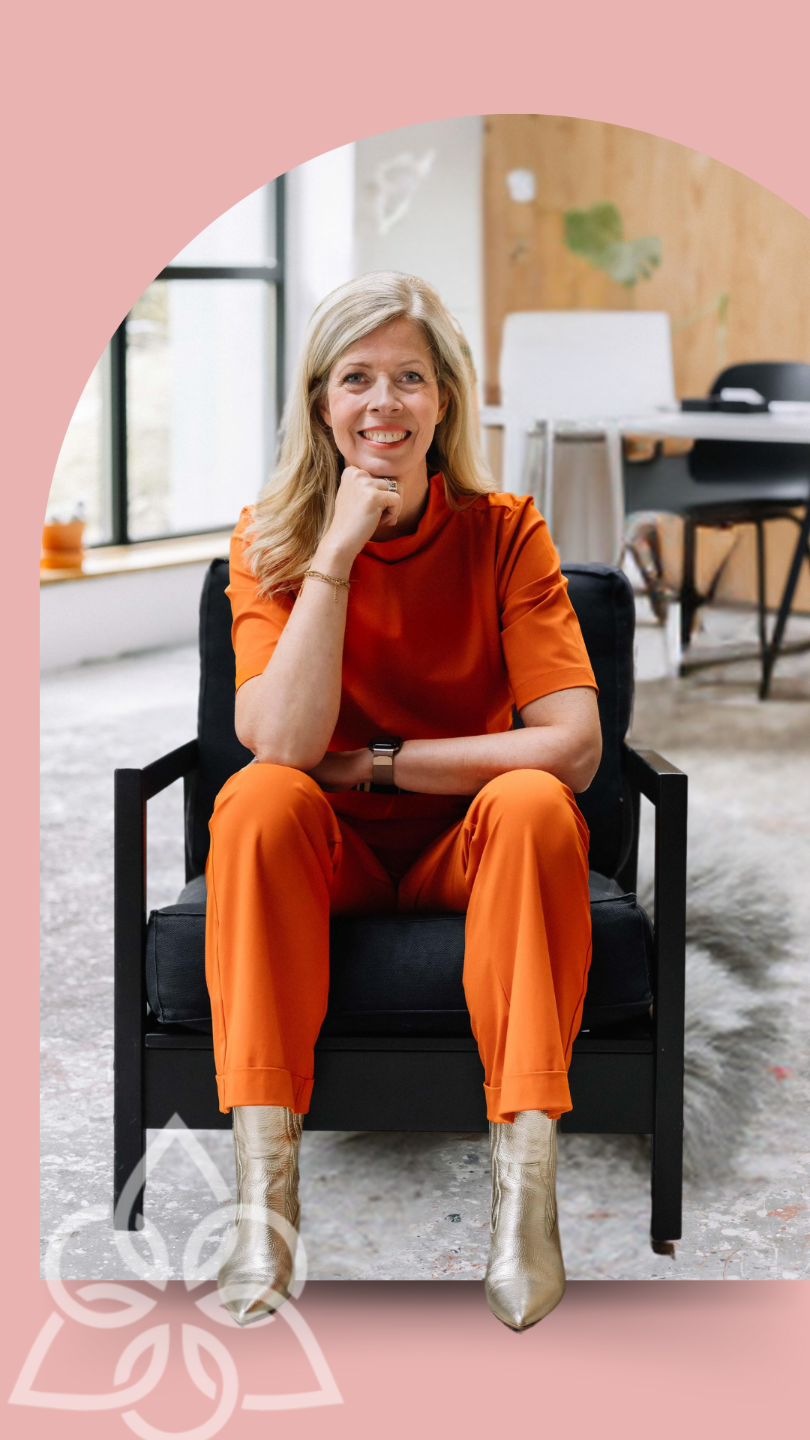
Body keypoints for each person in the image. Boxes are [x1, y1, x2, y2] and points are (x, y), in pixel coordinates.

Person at [207, 270, 602, 1331]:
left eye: (410, 378)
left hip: (464, 848)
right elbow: (286, 745)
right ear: (320, 403)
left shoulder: (507, 531)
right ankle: (265, 1211)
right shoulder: (267, 539)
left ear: (446, 400)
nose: (384, 402)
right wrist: (335, 552)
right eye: (357, 379)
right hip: (321, 851)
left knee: (533, 801)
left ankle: (525, 1205)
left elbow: (572, 747)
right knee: (258, 800)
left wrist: (376, 764)